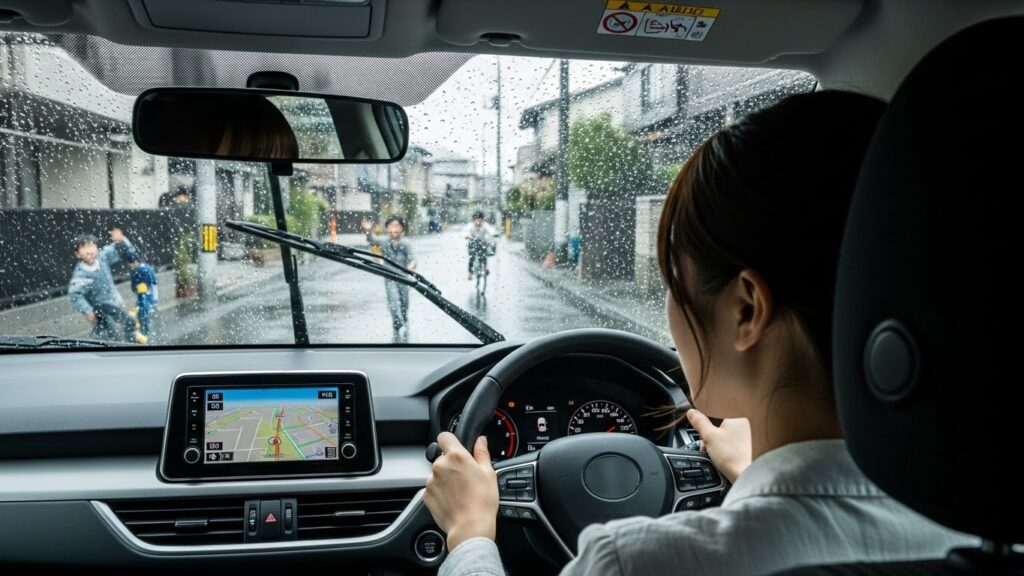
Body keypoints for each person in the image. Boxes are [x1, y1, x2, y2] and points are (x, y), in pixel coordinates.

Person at [423, 92, 974, 576]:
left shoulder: (633, 562)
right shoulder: (978, 533)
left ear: (745, 311)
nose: (669, 306)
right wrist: (758, 473)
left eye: (674, 282)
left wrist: (470, 535)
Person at [68, 227, 145, 344]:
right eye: (84, 248)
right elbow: (75, 295)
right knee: (113, 329)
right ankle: (127, 344)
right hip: (99, 308)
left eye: (92, 246)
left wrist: (120, 240)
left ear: (97, 248)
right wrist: (87, 310)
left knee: (115, 328)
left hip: (114, 302)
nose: (89, 251)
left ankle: (127, 345)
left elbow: (121, 249)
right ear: (77, 254)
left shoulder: (102, 258)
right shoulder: (81, 274)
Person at [361, 215, 416, 343]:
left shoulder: (406, 243)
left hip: (404, 277)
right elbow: (372, 240)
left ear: (402, 228)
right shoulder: (384, 241)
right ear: (387, 228)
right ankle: (397, 323)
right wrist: (368, 230)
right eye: (391, 226)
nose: (394, 229)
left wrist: (411, 266)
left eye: (397, 226)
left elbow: (412, 258)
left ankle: (403, 318)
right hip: (389, 276)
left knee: (404, 301)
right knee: (393, 300)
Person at [125, 251, 158, 341]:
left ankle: (144, 336)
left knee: (143, 314)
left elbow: (142, 288)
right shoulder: (147, 267)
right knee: (145, 314)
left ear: (135, 262)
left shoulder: (139, 271)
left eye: (131, 264)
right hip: (149, 295)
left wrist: (143, 298)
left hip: (145, 296)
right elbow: (154, 282)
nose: (131, 266)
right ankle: (146, 334)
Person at [462, 210, 498, 281]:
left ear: (482, 220)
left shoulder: (485, 225)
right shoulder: (470, 225)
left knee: (484, 255)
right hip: (473, 243)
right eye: (477, 219)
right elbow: (464, 232)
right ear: (474, 220)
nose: (478, 221)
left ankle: (485, 268)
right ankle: (470, 273)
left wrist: (494, 234)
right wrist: (467, 235)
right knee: (472, 257)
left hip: (482, 243)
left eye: (480, 219)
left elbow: (491, 230)